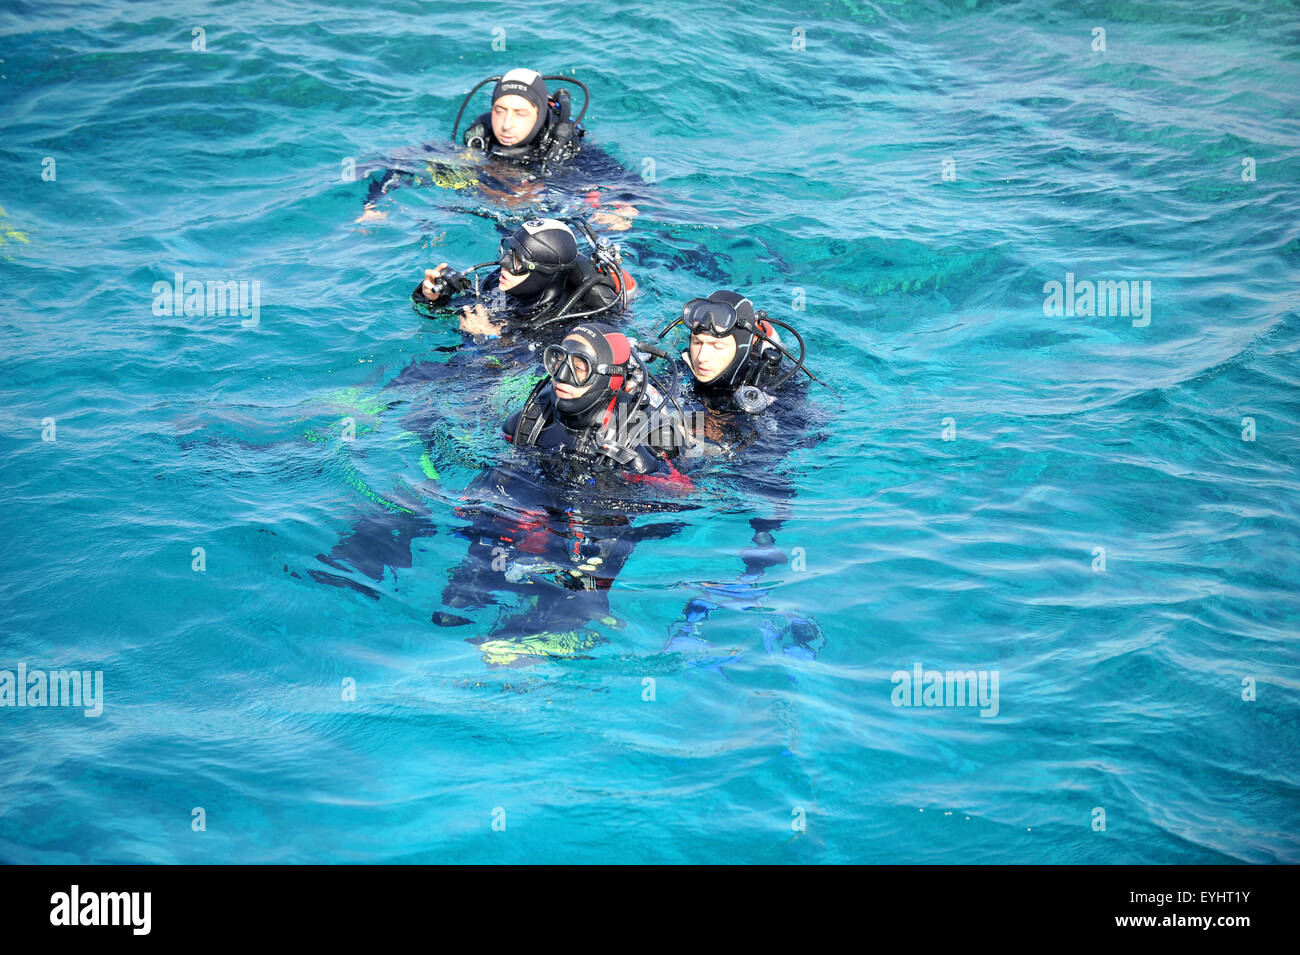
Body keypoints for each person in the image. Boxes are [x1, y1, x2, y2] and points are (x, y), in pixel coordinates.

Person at [652, 290, 830, 668]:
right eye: (697, 343)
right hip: (699, 477)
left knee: (761, 476)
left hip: (757, 471)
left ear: (743, 345)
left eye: (717, 346)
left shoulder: (775, 386)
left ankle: (759, 575)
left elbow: (782, 449)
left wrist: (718, 438)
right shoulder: (679, 371)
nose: (702, 356)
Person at [358, 69, 640, 229]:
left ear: (539, 113)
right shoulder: (480, 138)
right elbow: (405, 161)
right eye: (499, 110)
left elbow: (634, 186)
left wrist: (624, 207)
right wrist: (374, 204)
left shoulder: (563, 146)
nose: (506, 124)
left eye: (520, 113)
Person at [412, 217, 633, 338]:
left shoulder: (569, 323)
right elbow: (459, 310)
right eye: (509, 251)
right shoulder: (503, 283)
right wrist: (433, 297)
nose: (504, 264)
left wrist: (487, 338)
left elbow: (520, 377)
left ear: (543, 270)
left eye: (517, 260)